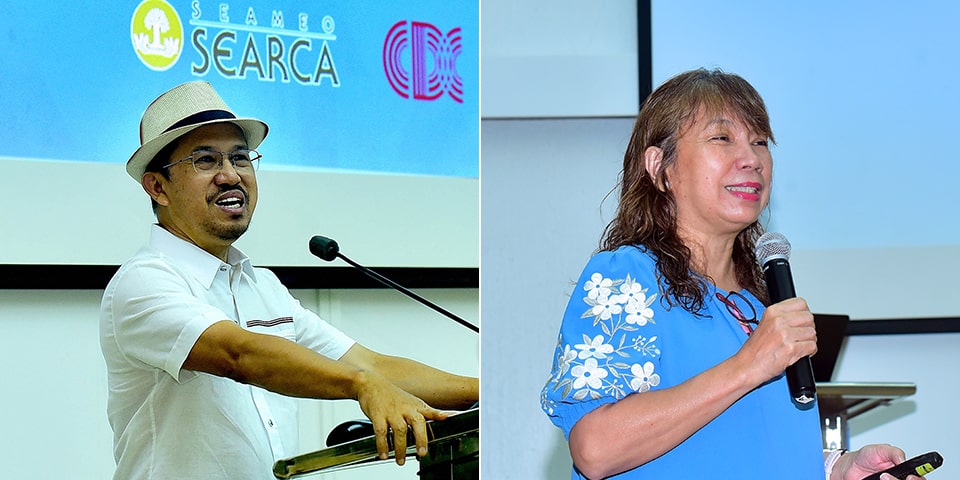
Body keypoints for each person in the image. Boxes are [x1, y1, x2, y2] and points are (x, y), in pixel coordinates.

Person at [540, 68, 921, 480]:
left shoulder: (756, 308)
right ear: (659, 167)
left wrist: (838, 468)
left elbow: (747, 444)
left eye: (759, 142)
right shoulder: (627, 277)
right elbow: (595, 449)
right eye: (722, 139)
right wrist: (747, 366)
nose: (751, 159)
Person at [100, 81, 478, 479]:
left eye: (240, 158)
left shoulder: (263, 288)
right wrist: (363, 386)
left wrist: (482, 391)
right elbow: (238, 355)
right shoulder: (143, 282)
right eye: (206, 161)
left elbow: (370, 364)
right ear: (158, 186)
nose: (230, 176)